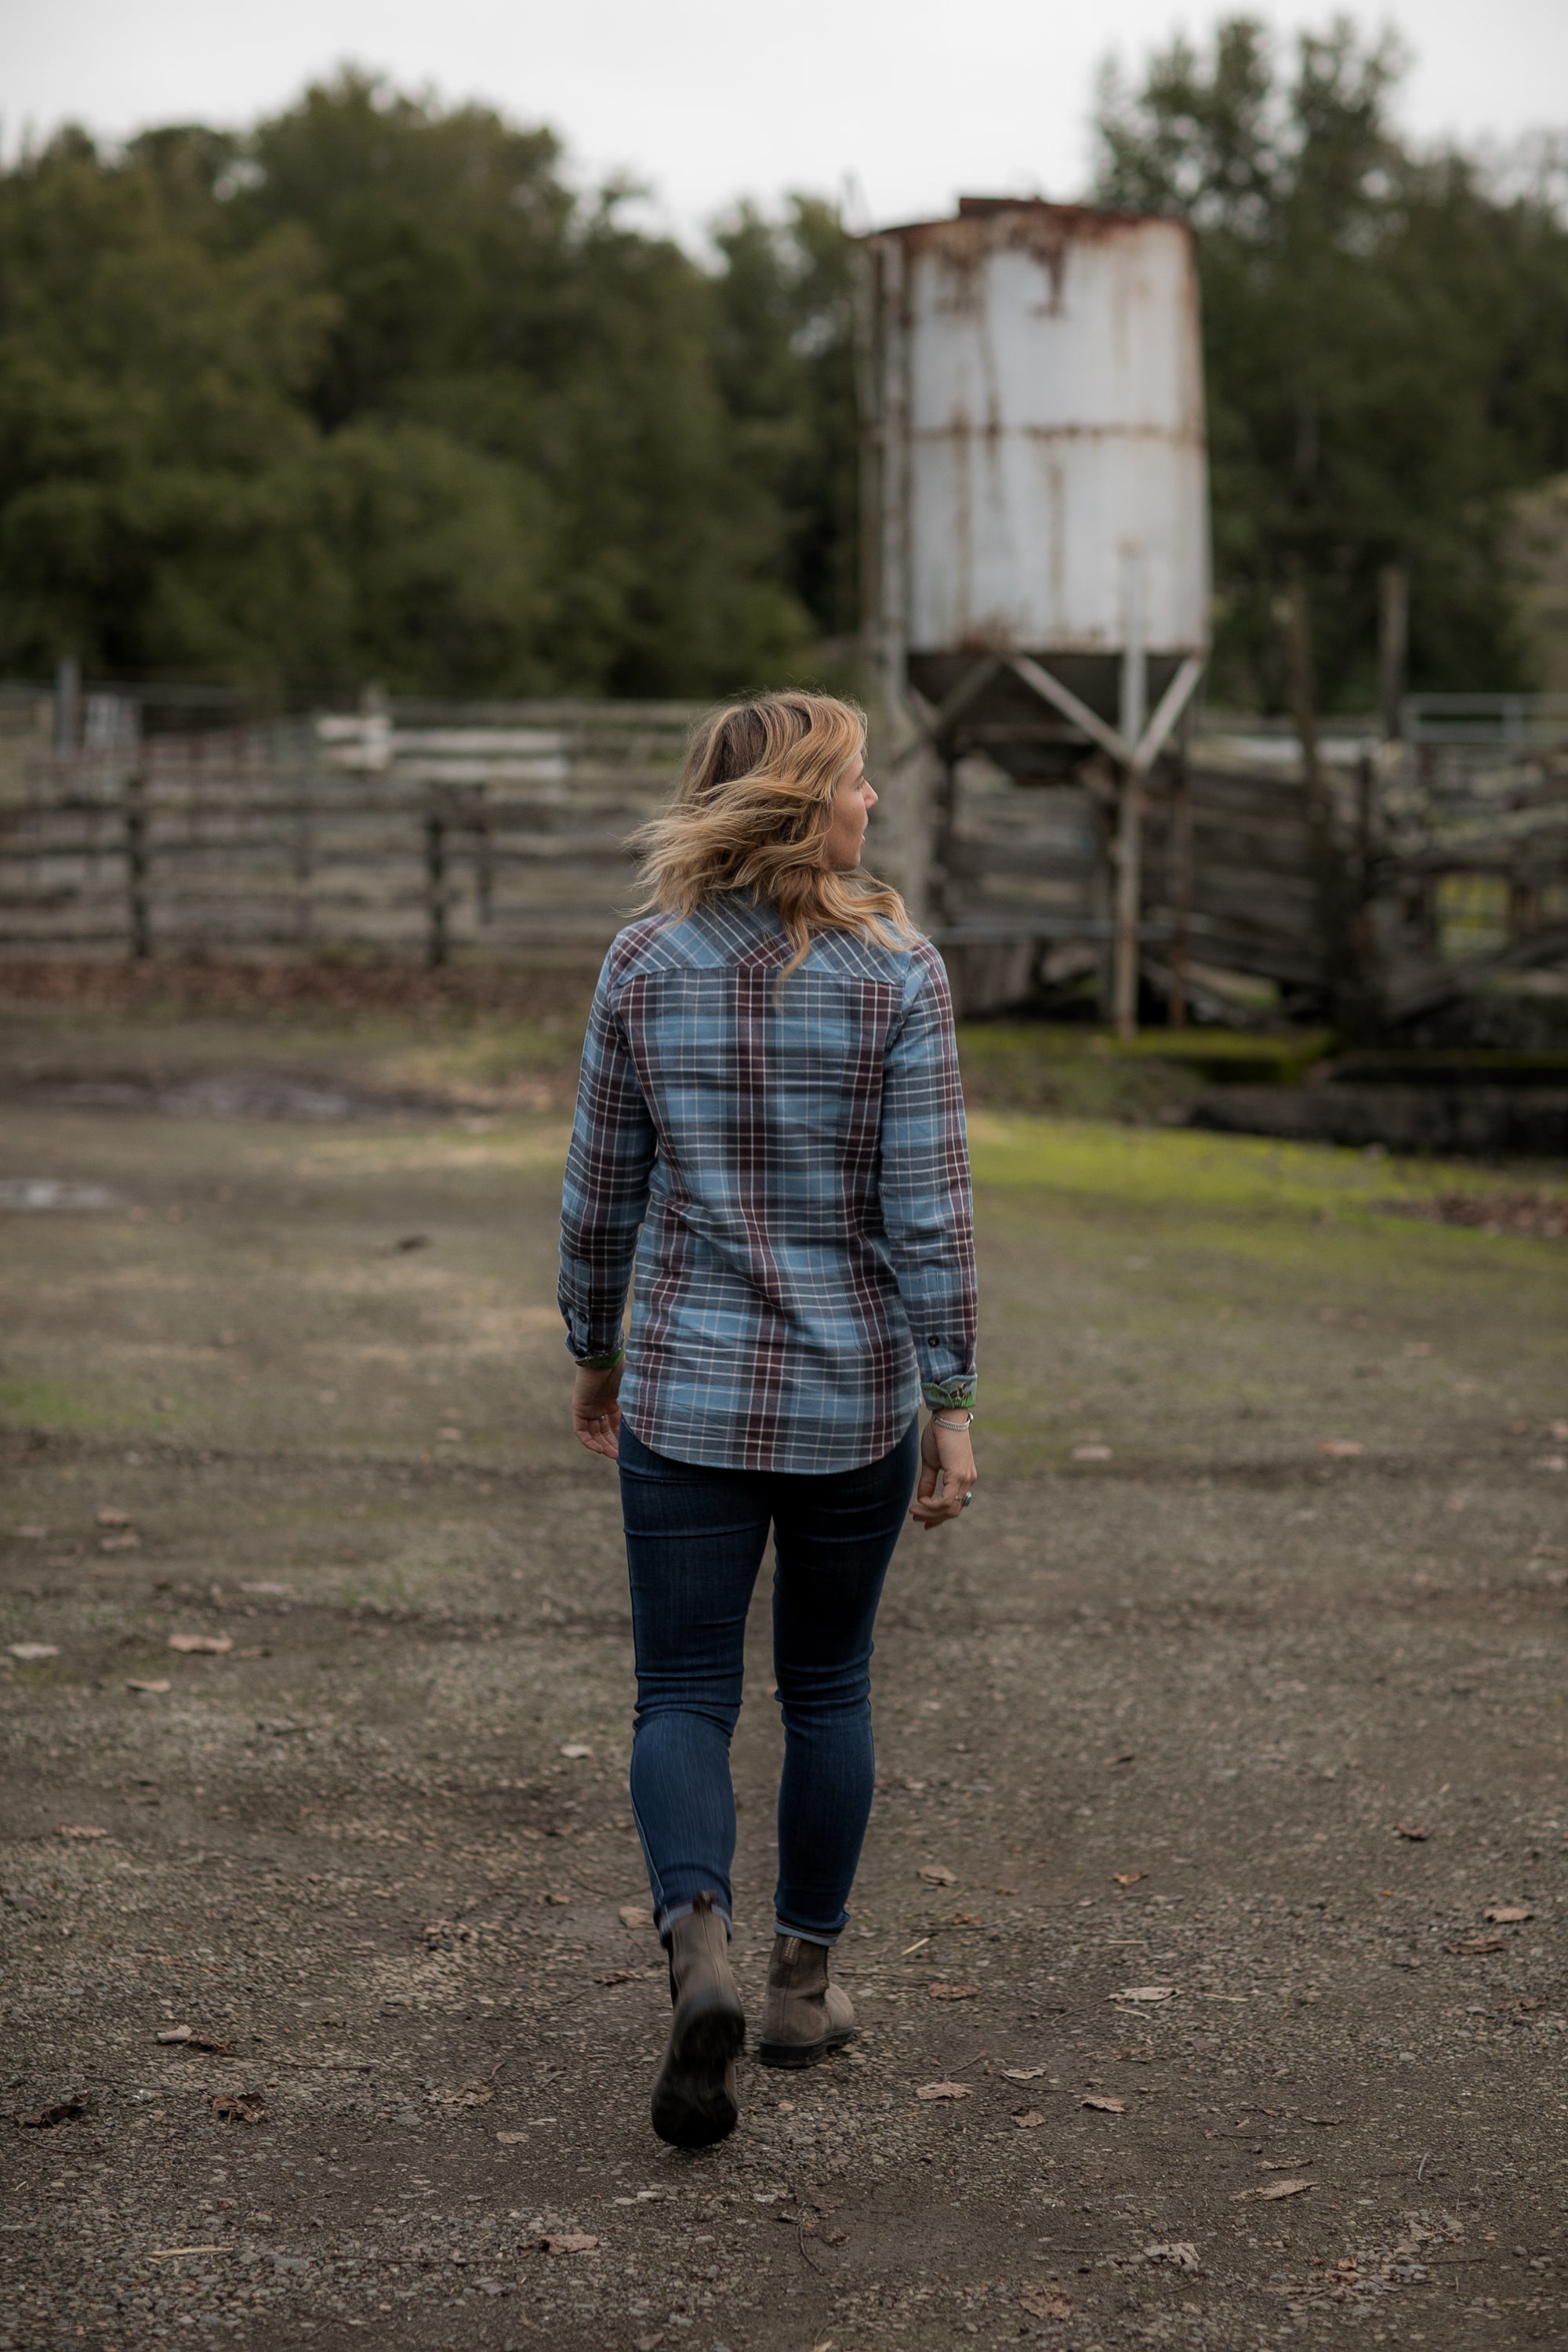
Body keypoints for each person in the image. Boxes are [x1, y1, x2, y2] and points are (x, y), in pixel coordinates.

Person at [557, 691, 978, 2148]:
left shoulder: (643, 965)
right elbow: (928, 1214)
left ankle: (698, 1950)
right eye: (858, 784)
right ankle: (799, 1988)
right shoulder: (899, 977)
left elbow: (599, 1188)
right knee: (828, 1689)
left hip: (684, 1388)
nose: (875, 807)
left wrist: (593, 1346)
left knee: (681, 1693)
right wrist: (956, 1400)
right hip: (851, 1397)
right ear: (806, 803)